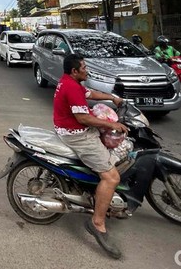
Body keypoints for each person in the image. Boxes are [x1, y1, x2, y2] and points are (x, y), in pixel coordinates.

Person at [53, 53, 128, 259]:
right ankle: (97, 223)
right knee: (112, 177)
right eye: (84, 67)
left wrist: (113, 98)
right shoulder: (71, 87)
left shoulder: (71, 82)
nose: (87, 70)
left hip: (75, 129)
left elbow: (90, 94)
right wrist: (112, 124)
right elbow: (83, 117)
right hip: (78, 136)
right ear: (75, 71)